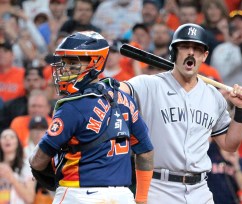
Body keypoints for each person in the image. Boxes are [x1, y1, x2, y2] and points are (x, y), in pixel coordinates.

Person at [120, 23, 242, 203]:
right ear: (174, 52)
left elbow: (230, 145)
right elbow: (120, 89)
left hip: (200, 190)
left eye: (197, 49)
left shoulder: (214, 96)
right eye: (185, 47)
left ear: (204, 55)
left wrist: (241, 110)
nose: (191, 52)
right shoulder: (149, 85)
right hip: (159, 187)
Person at [29, 31, 154, 204]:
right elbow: (146, 152)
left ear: (95, 62)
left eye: (73, 62)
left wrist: (36, 162)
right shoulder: (125, 100)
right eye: (64, 62)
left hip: (78, 194)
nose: (65, 69)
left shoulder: (72, 106)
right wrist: (140, 199)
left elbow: (38, 160)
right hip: (123, 196)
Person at [0, 128, 36, 204]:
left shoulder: (27, 167)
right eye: (4, 137)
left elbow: (29, 199)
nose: (7, 138)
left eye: (11, 137)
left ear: (17, 143)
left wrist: (11, 177)